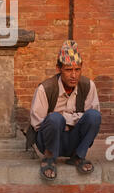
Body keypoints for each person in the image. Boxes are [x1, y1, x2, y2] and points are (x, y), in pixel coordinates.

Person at [28, 40, 101, 181]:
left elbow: (91, 114)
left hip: (73, 140)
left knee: (94, 116)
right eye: (68, 70)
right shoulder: (46, 88)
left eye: (77, 69)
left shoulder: (88, 85)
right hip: (48, 141)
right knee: (55, 119)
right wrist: (61, 120)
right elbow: (37, 123)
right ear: (58, 69)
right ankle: (49, 158)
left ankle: (78, 156)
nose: (74, 75)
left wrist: (66, 121)